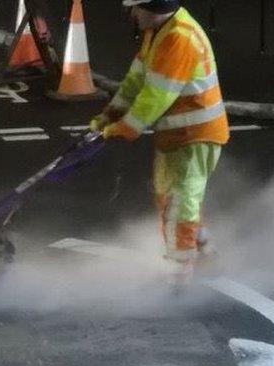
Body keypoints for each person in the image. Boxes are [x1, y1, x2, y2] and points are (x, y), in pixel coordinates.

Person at [90, 0, 228, 280]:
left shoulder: (178, 38)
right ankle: (205, 252)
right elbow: (135, 81)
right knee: (169, 199)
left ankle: (180, 274)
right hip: (177, 136)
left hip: (196, 136)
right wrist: (110, 115)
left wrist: (124, 128)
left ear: (152, 6)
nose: (132, 13)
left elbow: (156, 97)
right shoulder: (158, 32)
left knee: (181, 202)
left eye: (135, 7)